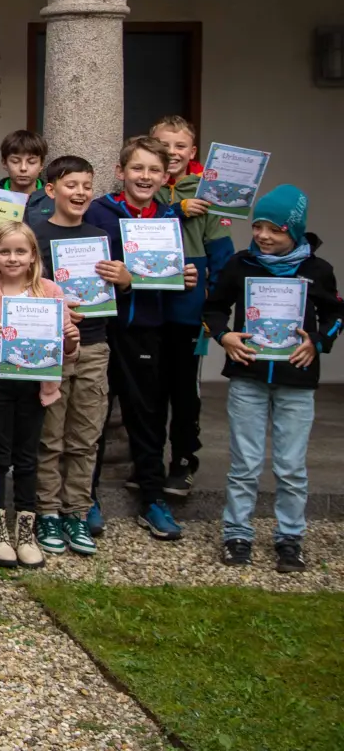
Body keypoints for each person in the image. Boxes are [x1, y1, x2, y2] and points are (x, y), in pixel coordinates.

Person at [204, 185, 339, 572]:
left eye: (274, 230)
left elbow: (335, 316)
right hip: (248, 376)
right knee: (244, 463)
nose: (263, 235)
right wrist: (224, 335)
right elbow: (214, 307)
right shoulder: (240, 265)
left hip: (296, 379)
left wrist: (317, 342)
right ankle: (237, 534)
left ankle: (290, 538)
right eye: (258, 227)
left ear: (293, 232)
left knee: (291, 466)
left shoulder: (318, 270)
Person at [85, 136, 199, 541]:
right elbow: (84, 269)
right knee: (94, 416)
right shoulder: (99, 212)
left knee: (147, 416)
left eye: (154, 170)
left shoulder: (168, 217)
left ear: (165, 175)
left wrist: (186, 277)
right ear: (120, 172)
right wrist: (121, 282)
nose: (145, 176)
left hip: (148, 332)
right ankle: (88, 497)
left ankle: (152, 499)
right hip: (102, 329)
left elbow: (169, 273)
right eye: (138, 168)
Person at [0, 221, 79, 569]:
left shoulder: (50, 292)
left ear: (32, 256)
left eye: (20, 251)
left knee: (28, 456)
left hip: (35, 384)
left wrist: (69, 335)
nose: (12, 258)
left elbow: (68, 351)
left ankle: (25, 527)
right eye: (5, 251)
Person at [29, 156, 131, 555]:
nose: (80, 192)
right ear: (51, 190)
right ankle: (48, 511)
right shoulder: (35, 236)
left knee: (86, 435)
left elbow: (117, 287)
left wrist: (124, 282)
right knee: (50, 435)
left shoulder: (99, 235)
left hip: (93, 344)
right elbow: (23, 288)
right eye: (71, 185)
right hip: (51, 347)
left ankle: (77, 510)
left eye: (87, 185)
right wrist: (53, 307)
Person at [151, 115, 232, 496]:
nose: (171, 153)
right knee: (149, 391)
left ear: (192, 152)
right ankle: (147, 462)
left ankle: (183, 461)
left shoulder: (208, 194)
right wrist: (175, 209)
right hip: (148, 310)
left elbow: (221, 255)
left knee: (185, 391)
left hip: (187, 311)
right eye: (163, 145)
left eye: (179, 146)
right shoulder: (146, 189)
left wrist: (212, 307)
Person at [0, 130, 46, 197]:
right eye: (15, 161)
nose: (23, 168)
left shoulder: (55, 201)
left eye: (31, 162)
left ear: (41, 165)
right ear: (4, 163)